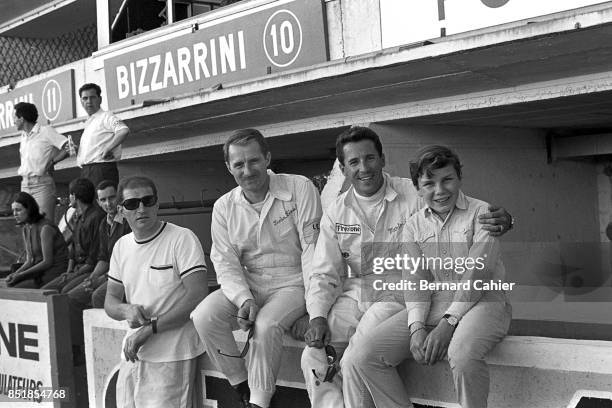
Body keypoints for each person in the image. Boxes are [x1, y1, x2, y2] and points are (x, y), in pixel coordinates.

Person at [301, 127, 513, 408]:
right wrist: (316, 315)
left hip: (424, 296)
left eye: (370, 158)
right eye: (354, 162)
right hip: (379, 293)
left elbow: (476, 270)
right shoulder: (340, 211)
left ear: (383, 158)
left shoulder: (423, 198)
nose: (364, 168)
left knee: (359, 359)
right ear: (342, 168)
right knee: (326, 355)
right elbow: (326, 271)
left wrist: (508, 220)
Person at [190, 129, 322, 408]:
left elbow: (314, 252)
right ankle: (240, 385)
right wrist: (243, 299)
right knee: (204, 315)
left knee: (265, 325)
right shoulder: (224, 206)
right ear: (229, 167)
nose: (247, 170)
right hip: (250, 285)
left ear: (268, 158)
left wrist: (314, 308)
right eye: (238, 164)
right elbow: (225, 262)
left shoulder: (299, 187)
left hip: (294, 282)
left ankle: (259, 402)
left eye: (253, 161)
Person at [105, 176, 208, 408]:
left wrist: (149, 330)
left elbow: (197, 295)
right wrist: (125, 309)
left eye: (147, 200)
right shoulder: (121, 246)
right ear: (121, 210)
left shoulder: (182, 238)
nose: (141, 208)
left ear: (157, 204)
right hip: (132, 354)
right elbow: (110, 302)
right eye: (132, 204)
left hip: (172, 355)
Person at [42, 178, 105, 293]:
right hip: (77, 269)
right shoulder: (79, 217)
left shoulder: (96, 217)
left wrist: (74, 274)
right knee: (45, 291)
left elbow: (94, 257)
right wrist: (69, 271)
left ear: (74, 196)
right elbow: (73, 250)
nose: (69, 197)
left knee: (65, 292)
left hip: (89, 270)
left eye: (70, 194)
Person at [15, 102, 69, 221]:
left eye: (15, 118)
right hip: (24, 184)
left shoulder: (46, 131)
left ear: (22, 119)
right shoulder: (23, 136)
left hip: (42, 185)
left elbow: (70, 147)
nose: (14, 121)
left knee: (44, 224)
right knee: (27, 225)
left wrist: (53, 161)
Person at [3, 192, 69, 288]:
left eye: (18, 210)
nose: (15, 214)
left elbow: (47, 262)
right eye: (13, 210)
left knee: (17, 287)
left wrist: (21, 275)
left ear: (29, 210)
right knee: (9, 284)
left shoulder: (45, 228)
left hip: (54, 271)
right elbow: (30, 260)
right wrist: (15, 274)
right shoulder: (26, 227)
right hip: (39, 272)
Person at [77, 83, 129, 187]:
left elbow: (123, 130)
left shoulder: (106, 116)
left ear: (100, 99)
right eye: (85, 98)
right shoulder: (90, 122)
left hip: (101, 169)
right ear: (81, 101)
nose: (89, 101)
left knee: (103, 202)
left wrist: (108, 148)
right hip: (87, 170)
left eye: (92, 97)